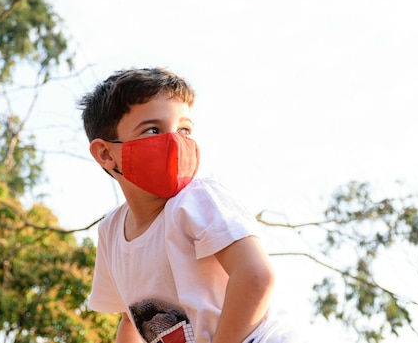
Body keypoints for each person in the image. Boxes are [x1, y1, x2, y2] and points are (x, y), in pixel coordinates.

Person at [78, 67, 299, 343]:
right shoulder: (111, 233)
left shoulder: (197, 199)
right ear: (106, 153)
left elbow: (256, 275)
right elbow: (131, 320)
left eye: (184, 129)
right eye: (153, 130)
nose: (174, 142)